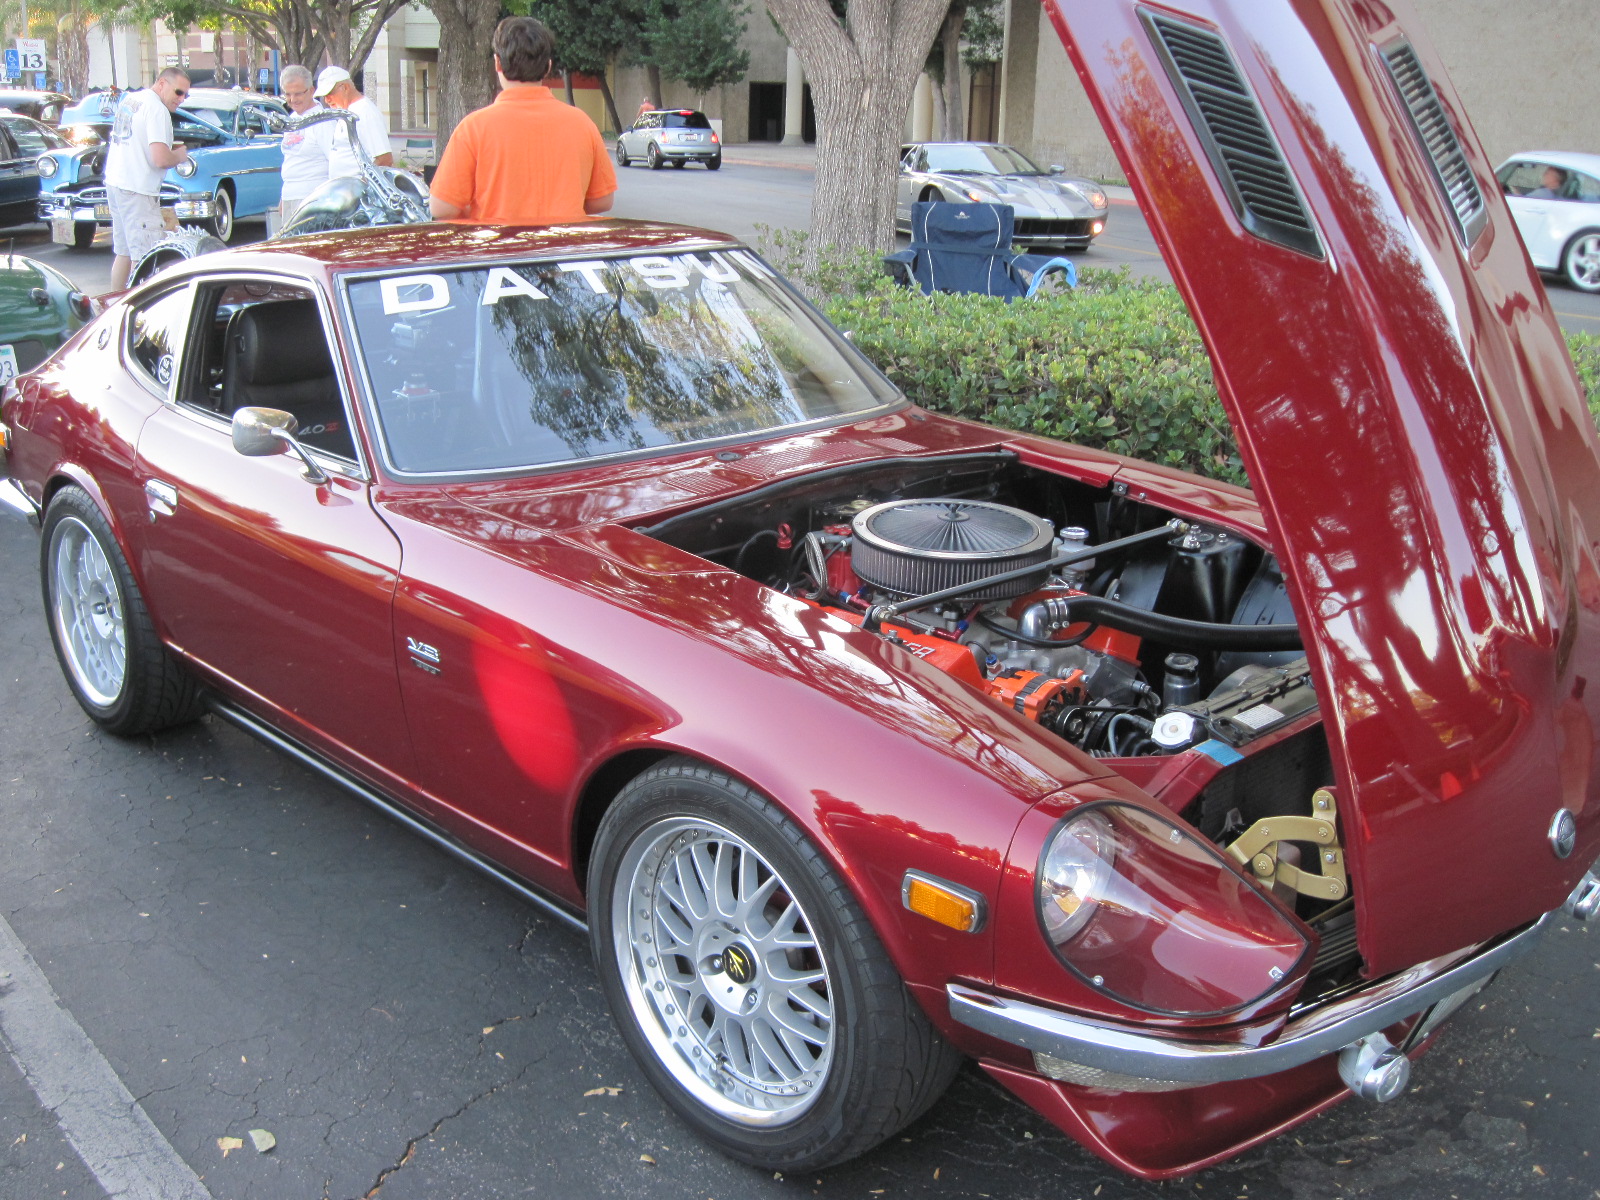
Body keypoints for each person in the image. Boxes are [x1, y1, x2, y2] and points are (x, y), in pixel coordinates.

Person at [428, 16, 617, 225]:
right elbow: (602, 200)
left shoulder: (473, 128)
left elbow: (441, 207)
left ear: (498, 63)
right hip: (562, 252)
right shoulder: (582, 124)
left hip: (500, 253)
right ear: (547, 66)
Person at [105, 68, 191, 291]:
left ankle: (113, 307)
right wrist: (180, 155)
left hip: (116, 183)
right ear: (162, 83)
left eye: (186, 95)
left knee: (123, 253)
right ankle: (140, 313)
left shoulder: (132, 99)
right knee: (144, 258)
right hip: (138, 189)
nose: (181, 99)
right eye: (178, 92)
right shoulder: (156, 109)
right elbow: (160, 159)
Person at [272, 64, 334, 233]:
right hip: (290, 195)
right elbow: (291, 158)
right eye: (288, 94)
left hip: (313, 198)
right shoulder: (292, 118)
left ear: (311, 90)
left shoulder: (322, 121)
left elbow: (336, 162)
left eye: (298, 93)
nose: (293, 99)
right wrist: (284, 198)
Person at [312, 65, 392, 179]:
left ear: (345, 87)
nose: (327, 100)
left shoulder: (365, 112)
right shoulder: (349, 111)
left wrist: (362, 186)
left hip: (357, 192)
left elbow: (385, 159)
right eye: (324, 96)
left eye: (329, 94)